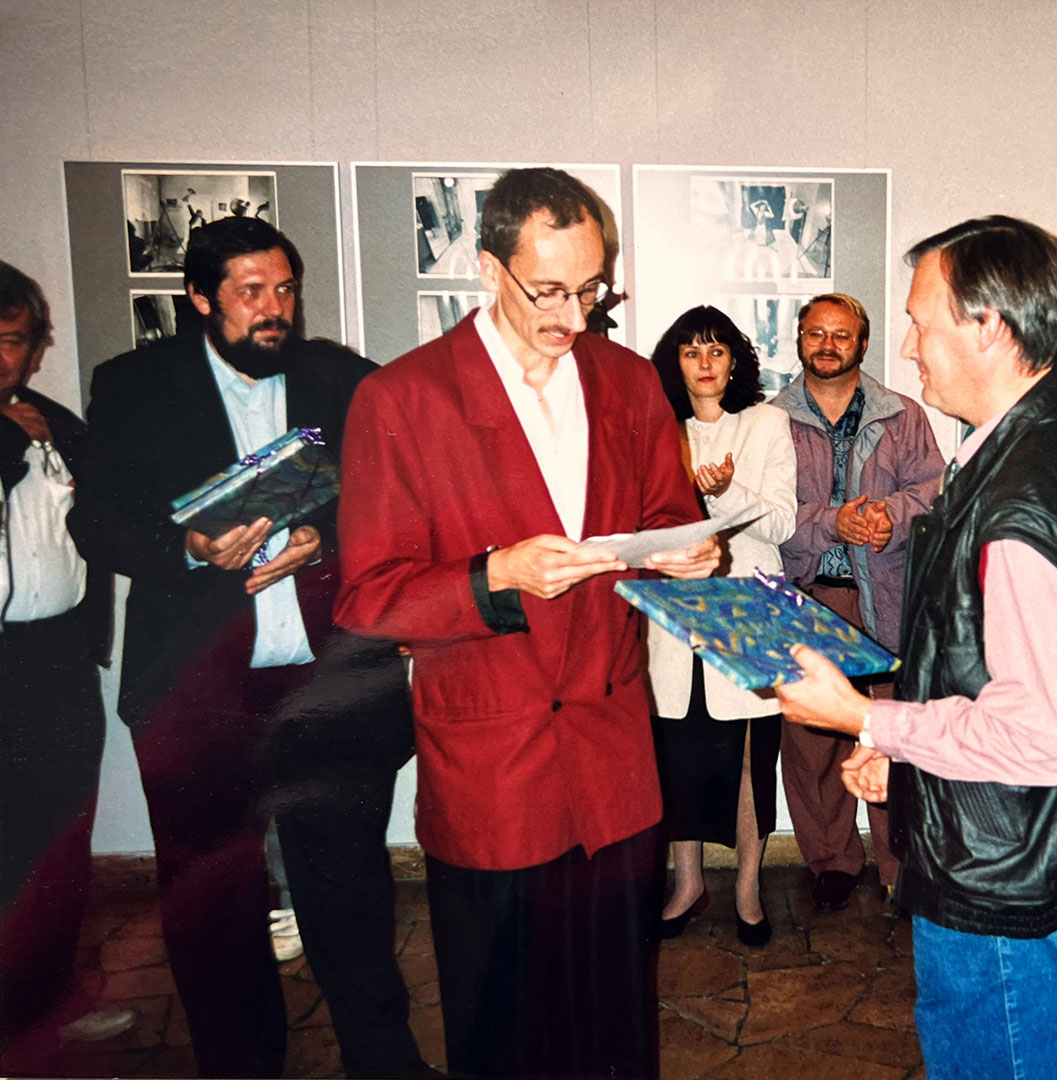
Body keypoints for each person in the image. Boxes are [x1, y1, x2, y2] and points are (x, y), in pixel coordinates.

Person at [335, 167, 719, 1080]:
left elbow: (664, 521)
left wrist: (683, 555)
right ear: (486, 267)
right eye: (548, 290)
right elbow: (369, 597)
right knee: (501, 1028)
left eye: (592, 288)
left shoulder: (629, 384)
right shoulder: (403, 399)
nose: (574, 315)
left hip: (613, 758)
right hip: (492, 765)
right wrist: (492, 574)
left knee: (615, 1022)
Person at [778, 215, 1057, 1079]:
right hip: (1031, 848)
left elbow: (1037, 735)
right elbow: (986, 658)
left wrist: (864, 715)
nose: (907, 346)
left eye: (920, 320)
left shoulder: (1025, 493)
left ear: (988, 325)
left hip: (1002, 880)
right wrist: (896, 740)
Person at [72, 218, 427, 1078]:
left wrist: (327, 542)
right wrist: (186, 547)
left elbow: (398, 499)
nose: (275, 310)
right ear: (199, 299)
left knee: (349, 892)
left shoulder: (342, 379)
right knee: (214, 903)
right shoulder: (134, 386)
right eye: (250, 293)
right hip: (196, 692)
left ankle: (385, 1066)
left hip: (328, 686)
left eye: (285, 290)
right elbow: (97, 520)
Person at [0, 263, 137, 1073]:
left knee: (57, 833)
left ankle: (44, 999)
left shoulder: (49, 421)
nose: (2, 360)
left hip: (52, 656)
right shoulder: (24, 431)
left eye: (14, 341)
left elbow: (109, 508)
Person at [775, 292, 943, 912]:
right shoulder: (771, 419)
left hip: (887, 600)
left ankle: (899, 864)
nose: (827, 345)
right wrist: (829, 523)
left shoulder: (904, 415)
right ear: (799, 339)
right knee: (813, 741)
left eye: (841, 335)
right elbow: (762, 514)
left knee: (891, 734)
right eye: (816, 333)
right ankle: (830, 862)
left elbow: (933, 492)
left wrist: (889, 519)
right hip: (809, 597)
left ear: (863, 343)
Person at [645, 306, 796, 948]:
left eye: (716, 351)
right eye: (690, 352)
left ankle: (747, 888)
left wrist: (730, 494)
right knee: (676, 752)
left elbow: (783, 526)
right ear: (674, 364)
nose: (705, 364)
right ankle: (687, 884)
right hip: (675, 609)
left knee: (747, 758)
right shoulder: (656, 428)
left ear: (735, 360)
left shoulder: (768, 422)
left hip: (750, 605)